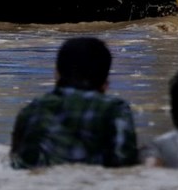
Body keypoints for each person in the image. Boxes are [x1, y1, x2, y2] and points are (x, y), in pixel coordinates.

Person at [10, 37, 139, 169]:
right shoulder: (115, 109)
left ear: (57, 73)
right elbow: (124, 160)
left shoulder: (32, 109)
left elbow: (16, 161)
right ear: (105, 80)